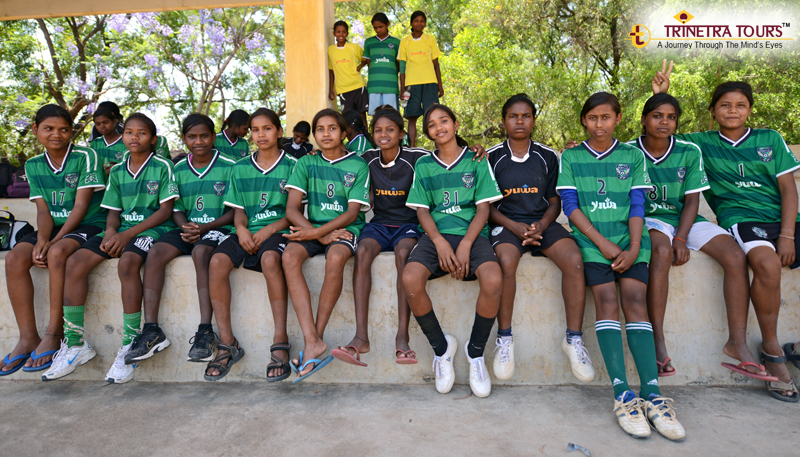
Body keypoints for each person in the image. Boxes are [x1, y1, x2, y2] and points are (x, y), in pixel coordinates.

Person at [654, 61, 800, 402]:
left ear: (750, 110)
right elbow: (660, 133)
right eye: (725, 105)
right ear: (713, 111)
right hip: (741, 218)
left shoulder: (769, 139)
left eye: (740, 105)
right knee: (765, 264)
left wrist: (789, 234)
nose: (733, 110)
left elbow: (789, 190)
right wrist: (661, 95)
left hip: (783, 220)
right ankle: (771, 347)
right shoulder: (699, 144)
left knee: (778, 254)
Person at [558, 92, 685, 440]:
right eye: (593, 118)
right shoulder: (571, 156)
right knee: (607, 301)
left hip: (631, 240)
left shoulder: (632, 156)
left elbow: (637, 205)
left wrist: (631, 246)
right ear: (584, 120)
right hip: (593, 242)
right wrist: (605, 245)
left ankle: (653, 395)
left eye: (606, 117)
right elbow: (571, 207)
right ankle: (622, 395)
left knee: (634, 300)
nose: (600, 124)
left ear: (617, 119)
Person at [42, 113, 179, 383]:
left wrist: (127, 234)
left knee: (127, 263)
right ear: (123, 136)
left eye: (141, 133)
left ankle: (130, 342)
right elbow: (113, 212)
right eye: (129, 132)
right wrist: (114, 232)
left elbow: (165, 211)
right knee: (75, 263)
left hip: (152, 229)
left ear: (153, 139)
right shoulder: (117, 170)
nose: (134, 137)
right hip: (121, 230)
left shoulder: (163, 166)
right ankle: (74, 343)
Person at [625, 93, 751, 379]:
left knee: (734, 255)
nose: (665, 122)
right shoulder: (629, 151)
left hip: (685, 218)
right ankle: (657, 339)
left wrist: (681, 238)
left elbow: (693, 201)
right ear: (644, 120)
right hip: (648, 218)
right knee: (661, 251)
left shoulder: (689, 151)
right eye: (657, 116)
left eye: (671, 117)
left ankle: (737, 342)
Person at [487, 94, 594, 382]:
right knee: (506, 261)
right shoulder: (491, 157)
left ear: (534, 120)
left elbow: (554, 199)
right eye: (513, 116)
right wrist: (516, 227)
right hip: (507, 224)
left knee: (574, 260)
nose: (519, 120)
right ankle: (505, 340)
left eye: (525, 116)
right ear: (504, 121)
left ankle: (573, 340)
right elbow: (487, 206)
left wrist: (543, 224)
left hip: (543, 222)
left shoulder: (548, 156)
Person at [402, 104, 503, 398]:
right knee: (410, 279)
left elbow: (483, 209)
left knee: (494, 279)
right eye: (431, 125)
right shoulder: (424, 165)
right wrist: (440, 242)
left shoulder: (475, 159)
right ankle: (442, 349)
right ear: (428, 133)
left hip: (472, 234)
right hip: (436, 236)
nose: (438, 127)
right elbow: (422, 211)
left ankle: (475, 353)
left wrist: (467, 244)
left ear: (456, 124)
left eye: (443, 120)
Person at [0, 104, 106, 376]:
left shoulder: (86, 156)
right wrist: (41, 239)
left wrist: (53, 241)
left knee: (57, 252)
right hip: (56, 227)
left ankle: (54, 332)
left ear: (72, 131)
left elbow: (81, 206)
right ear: (36, 130)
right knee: (14, 258)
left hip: (89, 224)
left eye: (63, 129)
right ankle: (27, 338)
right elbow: (43, 211)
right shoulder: (34, 165)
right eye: (48, 129)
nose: (56, 134)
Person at [125, 114, 236, 367]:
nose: (198, 141)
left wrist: (204, 227)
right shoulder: (178, 168)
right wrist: (185, 226)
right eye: (192, 136)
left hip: (220, 227)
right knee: (156, 251)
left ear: (214, 137)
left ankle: (206, 331)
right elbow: (175, 208)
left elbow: (235, 210)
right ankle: (151, 329)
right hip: (189, 227)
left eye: (204, 135)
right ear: (184, 139)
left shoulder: (230, 165)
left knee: (200, 253)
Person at [205, 108, 298, 382]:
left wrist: (270, 228)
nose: (261, 134)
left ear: (279, 132)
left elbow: (293, 212)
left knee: (271, 260)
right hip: (249, 230)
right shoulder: (241, 167)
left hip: (279, 230)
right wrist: (241, 228)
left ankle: (280, 340)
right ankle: (227, 343)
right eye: (255, 130)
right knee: (217, 262)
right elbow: (239, 210)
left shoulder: (293, 165)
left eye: (267, 128)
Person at [334, 106, 429, 367]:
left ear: (401, 133)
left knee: (403, 255)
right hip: (379, 224)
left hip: (408, 224)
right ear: (372, 134)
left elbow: (447, 154)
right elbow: (337, 160)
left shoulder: (417, 157)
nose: (383, 134)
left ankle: (402, 337)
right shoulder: (367, 158)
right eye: (378, 130)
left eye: (390, 130)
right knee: (362, 252)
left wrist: (475, 150)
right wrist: (313, 154)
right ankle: (360, 337)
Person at [282, 108, 370, 383]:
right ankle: (312, 339)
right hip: (314, 230)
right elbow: (292, 209)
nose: (326, 133)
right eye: (320, 129)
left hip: (345, 230)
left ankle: (313, 341)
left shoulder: (357, 165)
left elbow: (352, 214)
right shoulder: (306, 163)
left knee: (335, 258)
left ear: (344, 133)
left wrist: (322, 233)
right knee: (289, 257)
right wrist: (317, 234)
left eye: (332, 128)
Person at [398, 11, 443, 147]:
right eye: (416, 21)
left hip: (430, 83)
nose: (419, 23)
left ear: (425, 23)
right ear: (411, 23)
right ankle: (412, 149)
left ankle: (439, 147)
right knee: (412, 117)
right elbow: (402, 66)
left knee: (433, 117)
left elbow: (436, 64)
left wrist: (440, 86)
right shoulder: (405, 41)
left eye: (422, 21)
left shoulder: (430, 40)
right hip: (411, 85)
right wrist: (402, 88)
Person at [358, 13, 401, 114]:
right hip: (374, 85)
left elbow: (398, 64)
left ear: (387, 24)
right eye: (375, 28)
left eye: (380, 27)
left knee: (391, 115)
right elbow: (369, 64)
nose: (378, 30)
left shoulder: (396, 42)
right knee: (376, 115)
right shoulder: (369, 42)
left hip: (391, 85)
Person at [328, 21, 368, 125]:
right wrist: (331, 89)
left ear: (347, 33)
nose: (341, 34)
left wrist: (360, 66)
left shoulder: (353, 47)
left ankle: (366, 139)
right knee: (347, 120)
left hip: (358, 86)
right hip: (343, 89)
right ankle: (352, 141)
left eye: (343, 32)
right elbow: (331, 70)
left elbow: (366, 58)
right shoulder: (330, 50)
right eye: (338, 32)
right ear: (334, 33)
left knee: (362, 116)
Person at [89, 104, 127, 174]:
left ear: (114, 122)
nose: (102, 126)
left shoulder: (126, 142)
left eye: (105, 122)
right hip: (100, 183)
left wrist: (115, 167)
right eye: (98, 124)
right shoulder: (95, 143)